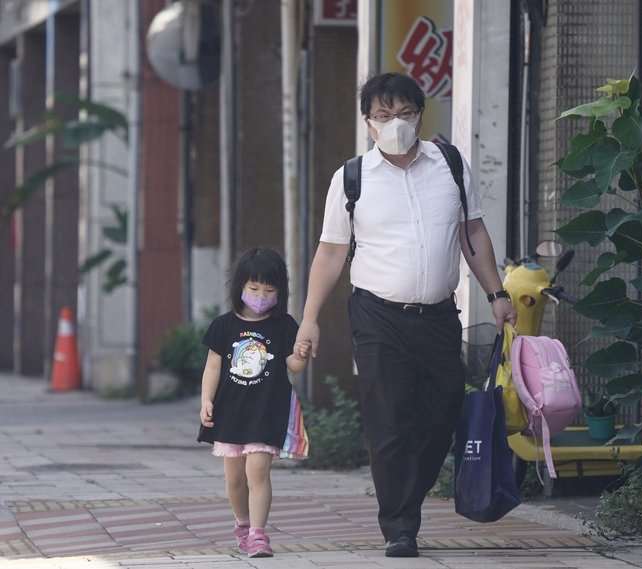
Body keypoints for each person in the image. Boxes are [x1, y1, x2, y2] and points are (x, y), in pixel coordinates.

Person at [294, 73, 516, 558]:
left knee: (442, 412)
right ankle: (400, 526)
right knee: (389, 417)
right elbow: (331, 253)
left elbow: (472, 234)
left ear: (420, 114)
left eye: (403, 114)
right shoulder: (352, 178)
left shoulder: (450, 165)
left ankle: (405, 498)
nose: (394, 123)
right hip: (377, 316)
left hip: (438, 314)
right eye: (382, 116)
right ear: (368, 123)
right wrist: (309, 318)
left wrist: (496, 292)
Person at [198, 247, 311, 558]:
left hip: (267, 411)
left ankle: (259, 535)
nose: (262, 295)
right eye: (254, 288)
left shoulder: (284, 325)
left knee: (258, 472)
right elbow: (213, 367)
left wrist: (301, 354)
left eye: (270, 290)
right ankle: (243, 525)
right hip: (230, 412)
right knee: (234, 479)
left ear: (280, 292)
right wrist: (206, 400)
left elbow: (294, 366)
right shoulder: (222, 326)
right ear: (239, 287)